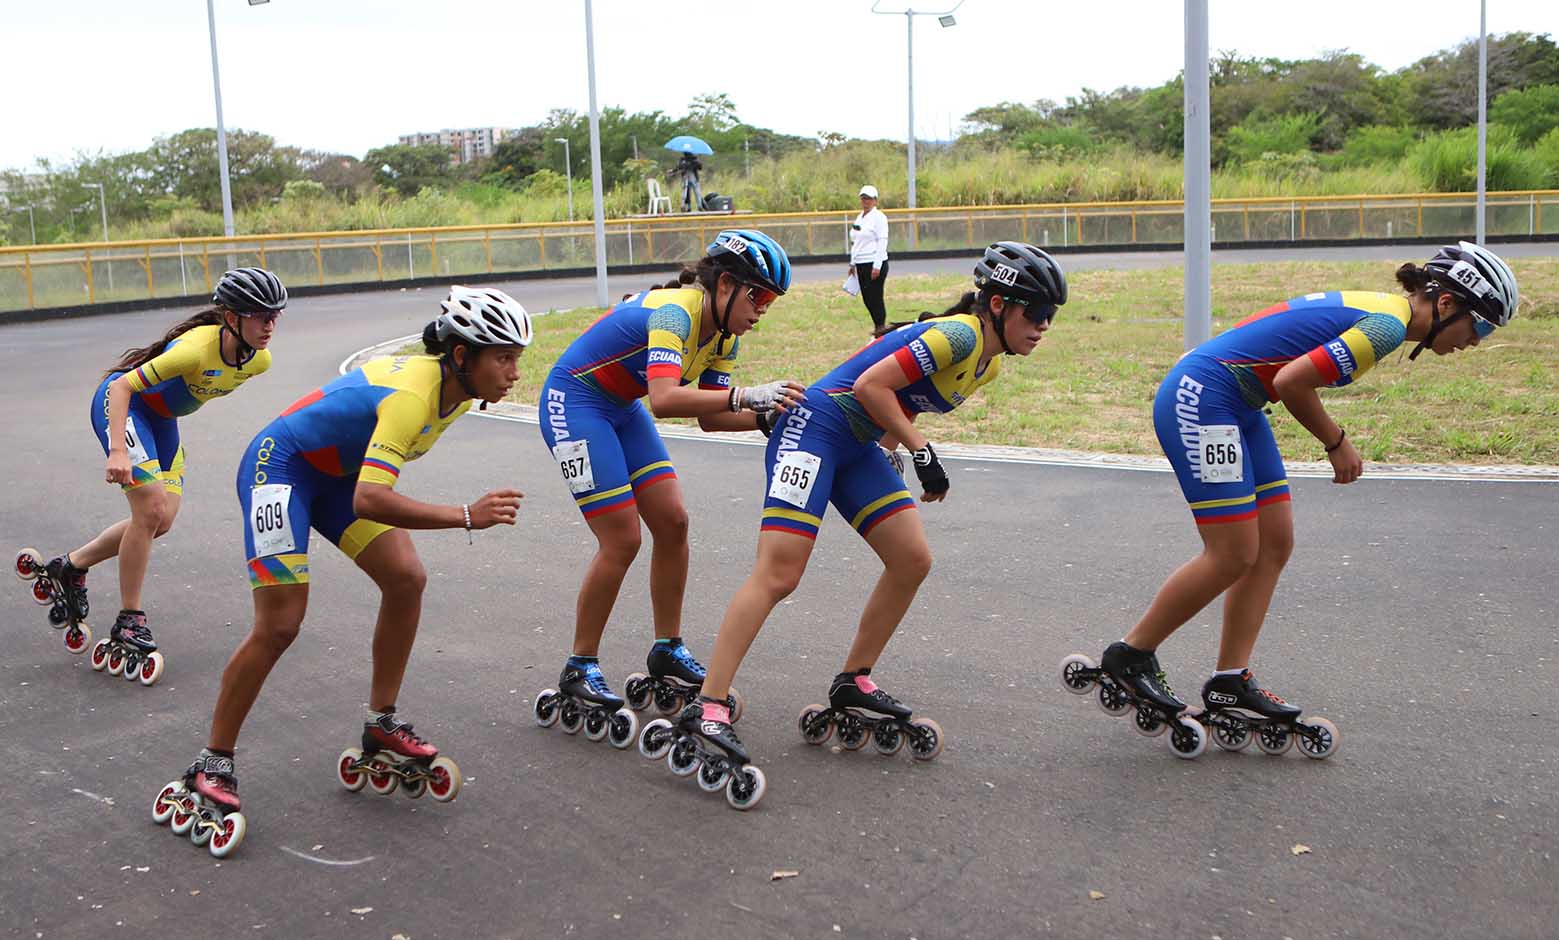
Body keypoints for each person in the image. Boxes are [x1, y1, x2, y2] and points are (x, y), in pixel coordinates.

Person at [1070, 241, 1520, 759]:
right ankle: (1130, 655)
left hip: (1237, 400)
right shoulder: (1387, 326)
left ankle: (1230, 679)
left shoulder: (1386, 314)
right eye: (1481, 326)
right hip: (1204, 396)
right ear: (1446, 305)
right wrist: (1336, 442)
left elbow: (1282, 376)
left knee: (1274, 543)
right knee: (1233, 552)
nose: (1477, 342)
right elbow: (1291, 382)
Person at [152, 286, 531, 855]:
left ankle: (382, 724)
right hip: (279, 468)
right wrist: (465, 516)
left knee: (406, 578)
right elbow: (373, 500)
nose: (514, 371)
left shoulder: (455, 390)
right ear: (461, 356)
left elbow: (363, 482)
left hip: (335, 475)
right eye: (502, 356)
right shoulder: (415, 396)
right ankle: (211, 762)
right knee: (280, 624)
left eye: (516, 356)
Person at [680, 242, 1069, 773]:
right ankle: (709, 702)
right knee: (779, 574)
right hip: (812, 431)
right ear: (998, 304)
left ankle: (854, 681)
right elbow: (869, 385)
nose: (1045, 325)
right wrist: (921, 448)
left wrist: (893, 447)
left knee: (912, 559)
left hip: (858, 443)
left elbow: (896, 400)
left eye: (1051, 316)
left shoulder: (989, 365)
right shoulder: (958, 335)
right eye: (1037, 312)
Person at [534, 230, 803, 744]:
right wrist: (750, 394)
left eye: (772, 300)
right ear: (725, 284)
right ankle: (579, 664)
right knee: (622, 539)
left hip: (620, 404)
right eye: (760, 296)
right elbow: (664, 399)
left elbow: (712, 418)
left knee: (674, 522)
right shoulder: (675, 315)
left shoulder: (725, 336)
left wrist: (769, 416)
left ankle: (666, 648)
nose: (764, 309)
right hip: (575, 400)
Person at [15, 268, 285, 682]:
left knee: (161, 520)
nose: (270, 326)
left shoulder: (260, 361)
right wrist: (119, 451)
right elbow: (122, 387)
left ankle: (69, 567)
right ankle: (129, 618)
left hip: (162, 420)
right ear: (231, 317)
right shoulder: (193, 350)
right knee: (149, 508)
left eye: (274, 316)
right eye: (260, 316)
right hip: (123, 405)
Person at [847, 184, 891, 333]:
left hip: (873, 262)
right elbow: (856, 242)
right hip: (860, 263)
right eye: (863, 198)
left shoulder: (879, 218)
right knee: (867, 298)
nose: (866, 201)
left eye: (869, 199)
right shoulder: (860, 217)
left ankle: (881, 327)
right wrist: (852, 264)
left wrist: (877, 266)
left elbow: (882, 241)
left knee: (875, 296)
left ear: (875, 201)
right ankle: (877, 324)